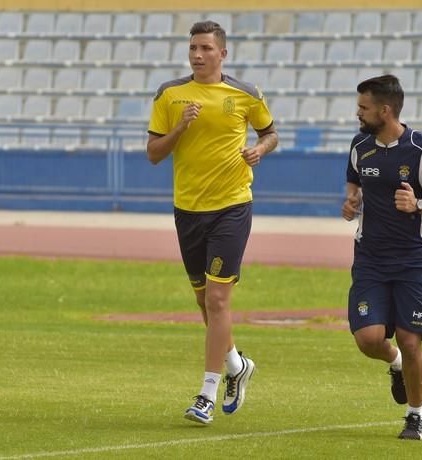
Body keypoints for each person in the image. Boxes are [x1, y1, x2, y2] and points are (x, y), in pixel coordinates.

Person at [146, 20, 278, 425]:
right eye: (192, 48)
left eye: (205, 48)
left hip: (232, 207)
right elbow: (153, 152)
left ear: (223, 53)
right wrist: (181, 126)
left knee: (219, 300)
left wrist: (260, 149)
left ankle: (206, 393)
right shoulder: (170, 95)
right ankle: (237, 364)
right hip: (188, 210)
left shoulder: (246, 94)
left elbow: (271, 133)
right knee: (204, 301)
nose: (197, 55)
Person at [341, 74, 422, 440]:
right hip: (371, 258)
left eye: (363, 107)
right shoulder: (359, 145)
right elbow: (354, 183)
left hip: (416, 258)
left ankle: (415, 414)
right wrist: (351, 202)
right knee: (368, 339)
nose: (358, 113)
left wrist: (419, 205)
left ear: (385, 110)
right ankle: (393, 363)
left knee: (412, 341)